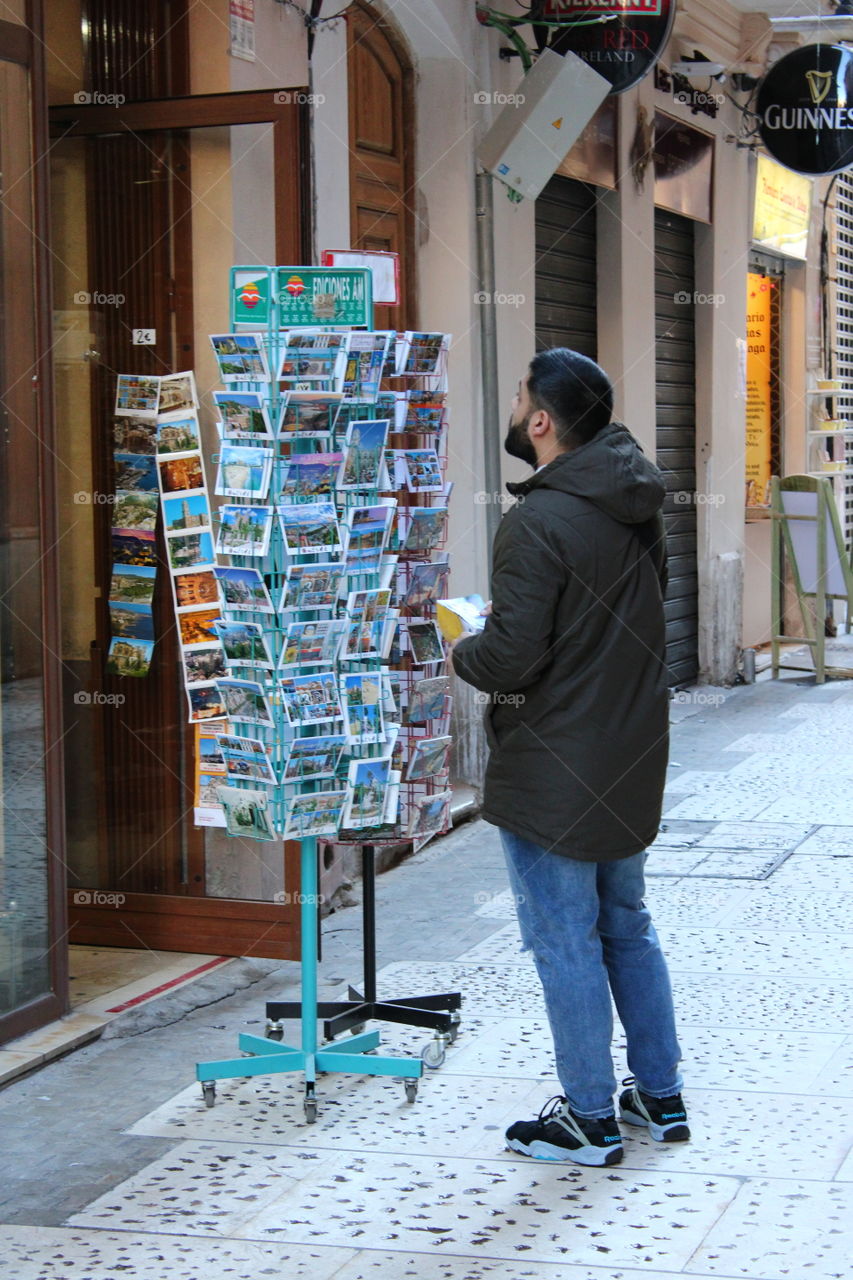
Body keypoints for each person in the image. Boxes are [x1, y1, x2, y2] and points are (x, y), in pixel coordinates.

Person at [450, 348, 689, 1168]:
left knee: (563, 940)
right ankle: (658, 1095)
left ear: (543, 420)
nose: (515, 412)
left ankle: (588, 1115)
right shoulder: (634, 503)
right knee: (625, 923)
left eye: (520, 399)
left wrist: (462, 647)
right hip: (628, 750)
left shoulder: (536, 522)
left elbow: (513, 656)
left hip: (555, 761)